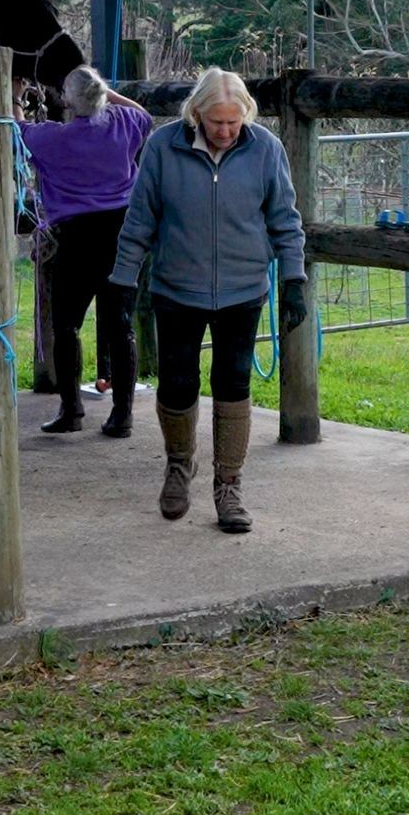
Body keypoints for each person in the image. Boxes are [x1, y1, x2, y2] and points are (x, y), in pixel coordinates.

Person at [109, 68, 307, 534]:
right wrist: (122, 281)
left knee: (232, 382)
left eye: (234, 122)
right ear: (196, 114)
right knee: (177, 383)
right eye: (217, 122)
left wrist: (293, 277)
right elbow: (140, 220)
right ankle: (179, 463)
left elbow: (285, 218)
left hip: (243, 288)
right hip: (177, 288)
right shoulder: (163, 148)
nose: (225, 131)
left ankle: (229, 484)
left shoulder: (265, 149)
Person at [19, 67, 151, 437]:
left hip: (77, 236)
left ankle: (71, 409)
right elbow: (143, 112)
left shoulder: (54, 138)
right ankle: (122, 414)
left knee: (66, 323)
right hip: (122, 233)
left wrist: (16, 95)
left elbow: (16, 129)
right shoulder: (124, 123)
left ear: (66, 100)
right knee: (120, 324)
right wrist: (108, 93)